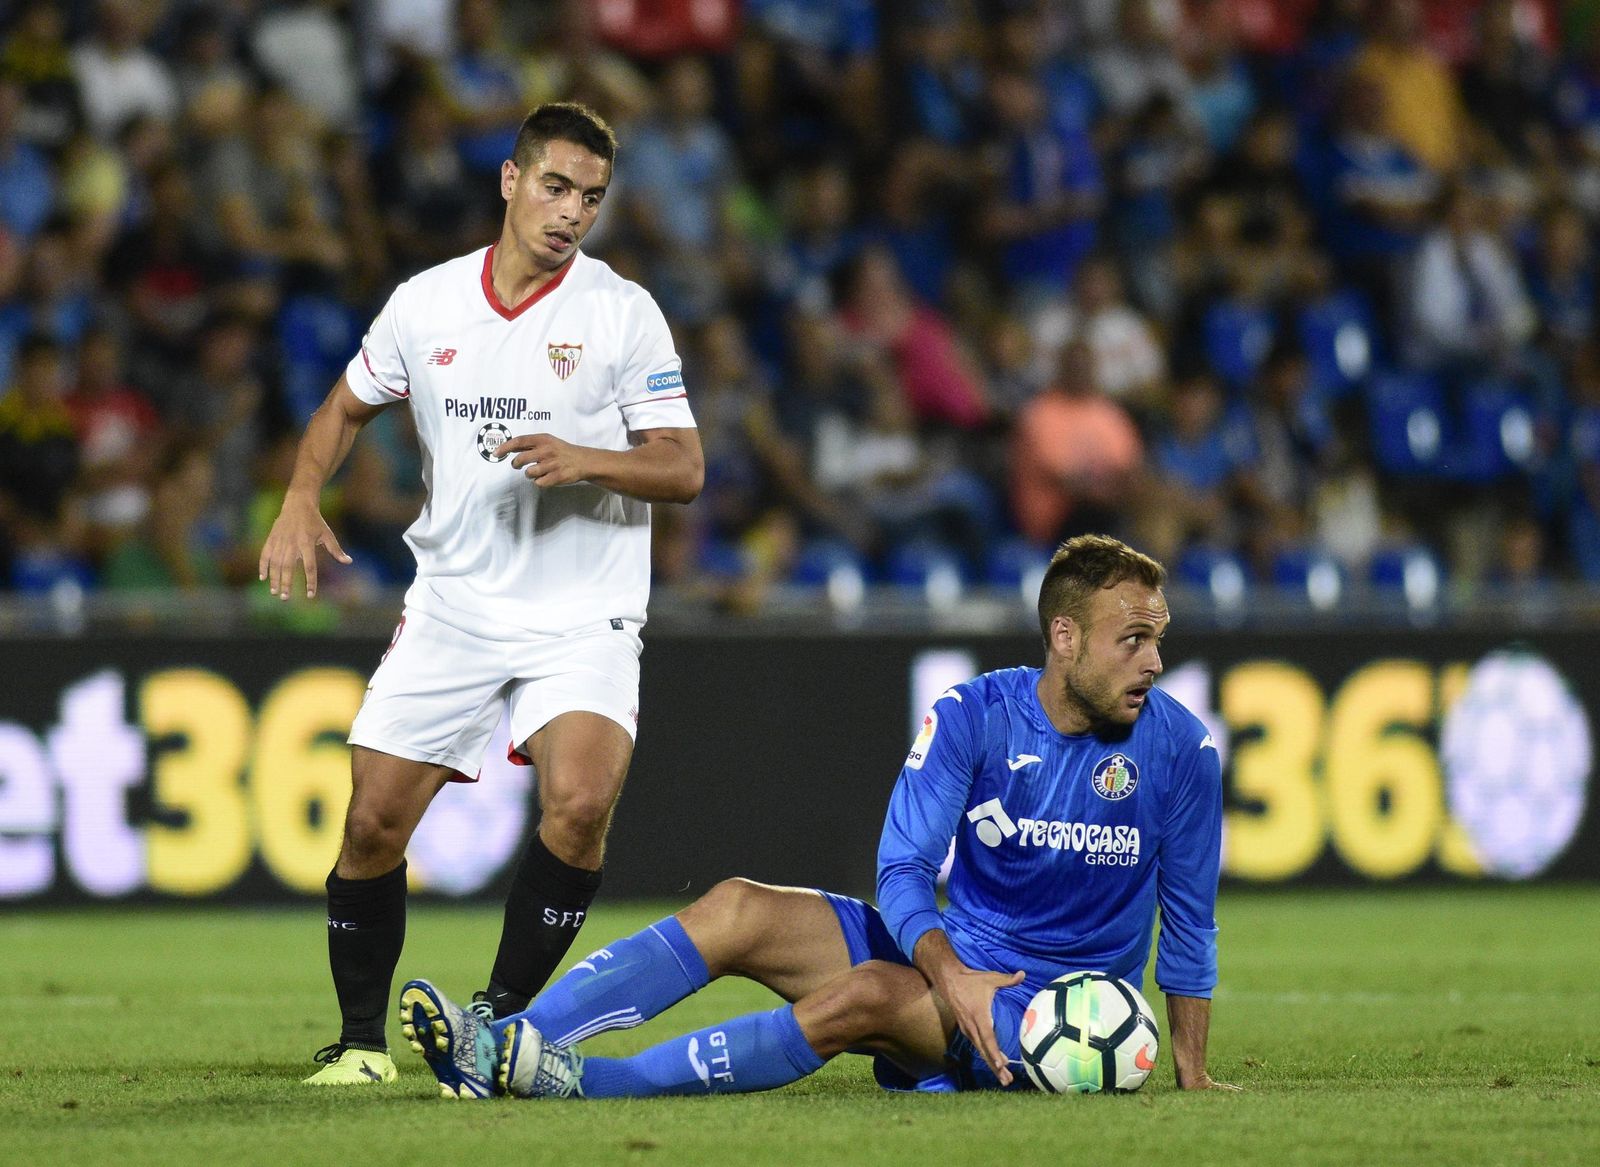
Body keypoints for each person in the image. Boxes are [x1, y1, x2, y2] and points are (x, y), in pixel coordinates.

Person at [395, 534, 1234, 1100]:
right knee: (737, 907)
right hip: (954, 961)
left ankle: (583, 1082)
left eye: (1159, 639)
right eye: (1132, 640)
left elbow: (1191, 923)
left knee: (866, 992)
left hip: (1050, 1011)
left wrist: (1190, 1069)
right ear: (1064, 637)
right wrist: (950, 970)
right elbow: (903, 871)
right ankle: (499, 1043)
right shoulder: (977, 714)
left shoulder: (1180, 750)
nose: (1155, 662)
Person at [258, 101, 704, 1085]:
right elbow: (343, 408)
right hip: (456, 601)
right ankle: (360, 1043)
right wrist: (298, 496)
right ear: (509, 180)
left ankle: (495, 1026)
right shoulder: (425, 305)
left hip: (581, 610)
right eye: (555, 187)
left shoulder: (619, 312)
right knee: (374, 820)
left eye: (591, 197)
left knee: (580, 803)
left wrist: (585, 458)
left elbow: (682, 468)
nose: (571, 213)